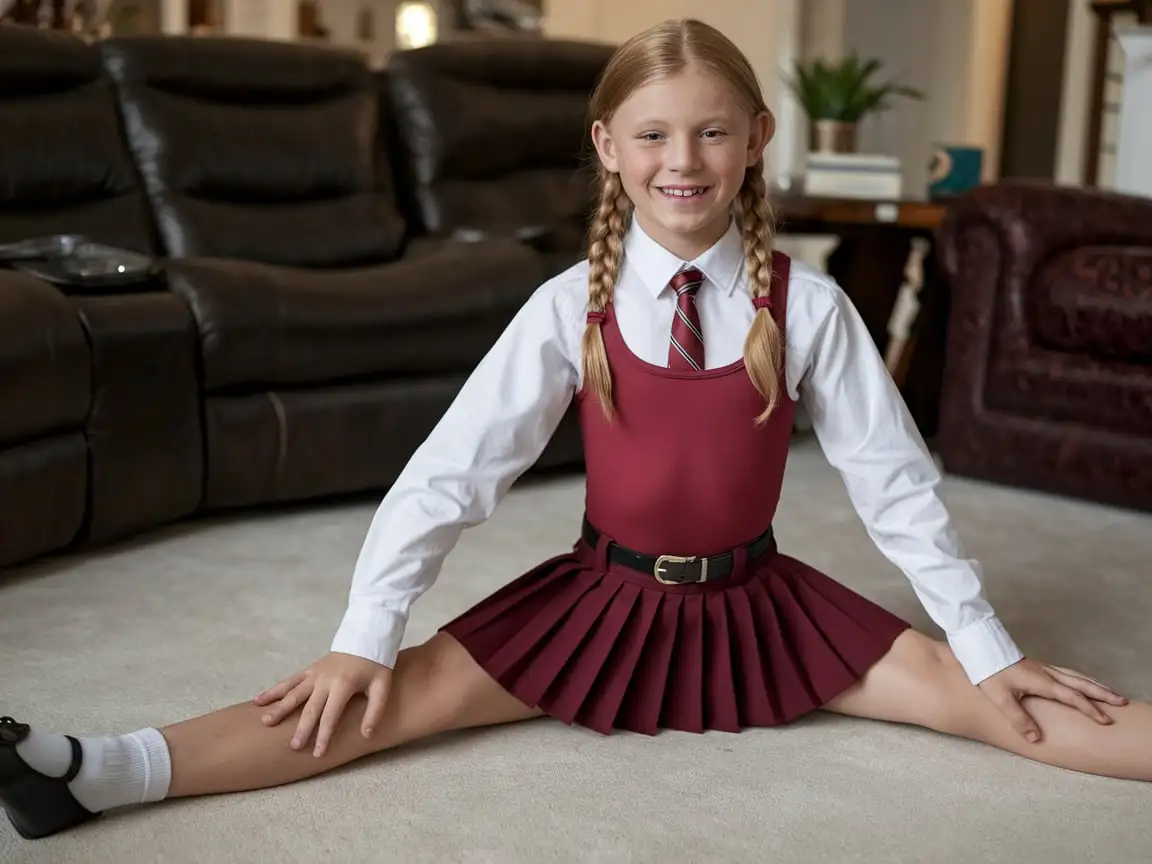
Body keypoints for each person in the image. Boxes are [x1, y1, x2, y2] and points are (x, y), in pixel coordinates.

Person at [2, 16, 1148, 843]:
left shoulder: (813, 306)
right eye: (652, 136)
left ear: (754, 138)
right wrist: (362, 629)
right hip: (597, 601)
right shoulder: (567, 308)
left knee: (1006, 706)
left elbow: (898, 488)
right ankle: (96, 771)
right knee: (370, 702)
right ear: (609, 149)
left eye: (709, 134)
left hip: (768, 604)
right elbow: (448, 478)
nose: (682, 162)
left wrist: (989, 647)